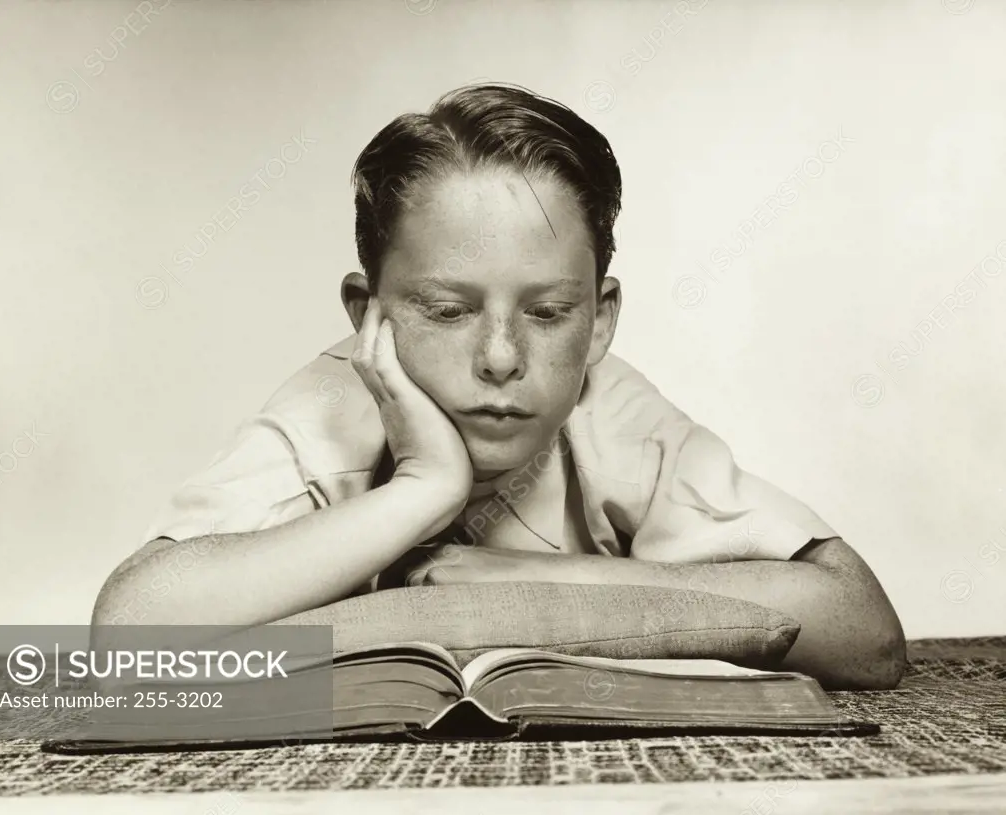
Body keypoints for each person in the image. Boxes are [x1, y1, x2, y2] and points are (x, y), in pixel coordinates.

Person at [93, 83, 905, 689]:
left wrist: (553, 579)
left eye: (549, 311)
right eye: (447, 309)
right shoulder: (331, 405)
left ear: (599, 320)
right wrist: (423, 486)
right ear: (365, 315)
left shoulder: (609, 409)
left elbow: (863, 633)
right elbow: (125, 638)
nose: (501, 356)